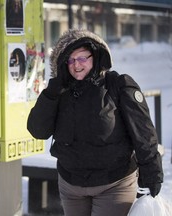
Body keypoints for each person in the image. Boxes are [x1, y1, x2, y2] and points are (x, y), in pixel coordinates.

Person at [27, 29, 163, 216]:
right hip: (71, 185)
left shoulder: (118, 85)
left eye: (82, 58)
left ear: (96, 56)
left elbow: (143, 133)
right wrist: (51, 94)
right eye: (71, 60)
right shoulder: (59, 92)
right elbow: (38, 131)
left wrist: (152, 174)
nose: (76, 65)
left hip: (114, 184)